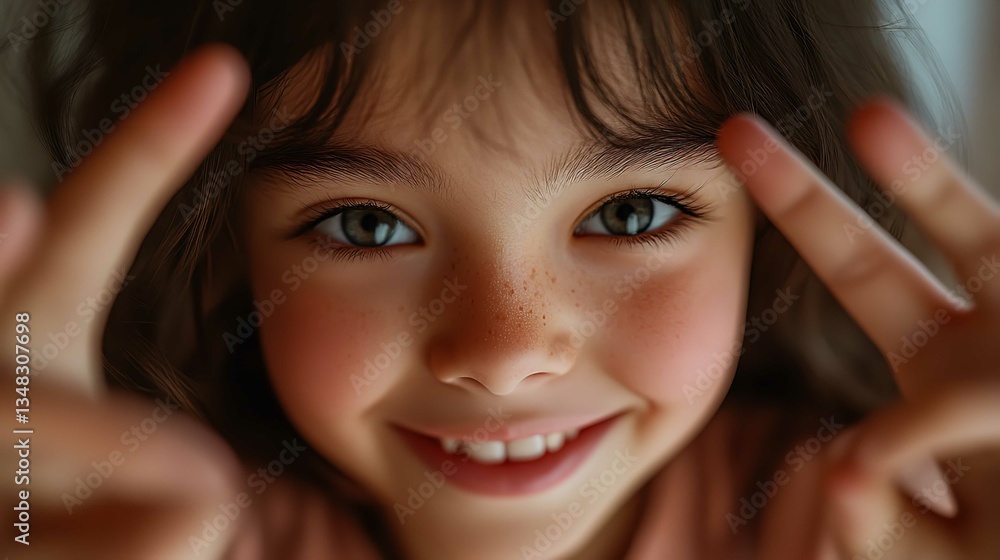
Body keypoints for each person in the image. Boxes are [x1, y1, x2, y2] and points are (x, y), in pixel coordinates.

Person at [1, 0, 998, 558]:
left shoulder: (885, 529)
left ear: (774, 239)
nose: (504, 352)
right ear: (222, 249)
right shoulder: (139, 538)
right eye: (366, 224)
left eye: (629, 214)